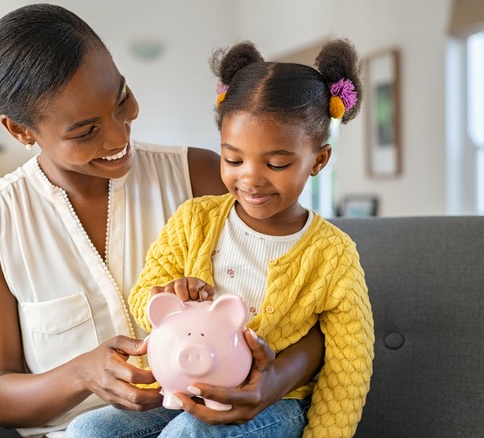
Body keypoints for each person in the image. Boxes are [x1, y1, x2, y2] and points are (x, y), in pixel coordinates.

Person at [0, 4, 325, 437]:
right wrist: (82, 374)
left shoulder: (201, 177)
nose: (119, 136)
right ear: (21, 131)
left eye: (122, 99)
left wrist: (272, 383)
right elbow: (0, 397)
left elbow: (317, 306)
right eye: (85, 131)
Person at [67, 39, 374, 438]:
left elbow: (350, 364)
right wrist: (171, 295)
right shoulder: (195, 219)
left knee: (186, 436)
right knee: (87, 430)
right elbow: (144, 298)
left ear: (318, 161)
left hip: (276, 404)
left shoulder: (333, 254)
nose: (250, 177)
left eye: (277, 163)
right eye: (233, 159)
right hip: (181, 387)